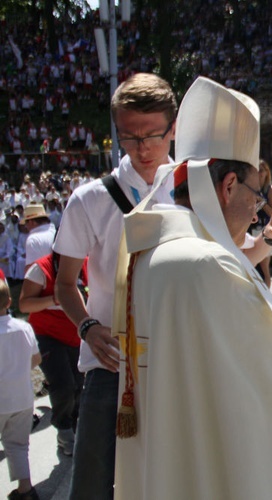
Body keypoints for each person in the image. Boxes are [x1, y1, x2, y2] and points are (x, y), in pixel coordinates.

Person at [112, 76, 272, 499]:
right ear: (228, 186)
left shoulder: (149, 249)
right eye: (255, 193)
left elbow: (222, 346)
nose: (257, 211)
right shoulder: (205, 262)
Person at [52, 72, 177, 500]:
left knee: (180, 478)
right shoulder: (90, 199)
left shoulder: (195, 190)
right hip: (112, 364)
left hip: (176, 358)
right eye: (129, 137)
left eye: (154, 135)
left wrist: (268, 237)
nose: (142, 148)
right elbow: (65, 285)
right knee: (91, 483)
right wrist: (87, 327)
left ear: (174, 128)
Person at [19, 252, 88, 456]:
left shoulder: (86, 264)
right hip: (47, 335)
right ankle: (64, 430)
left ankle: (75, 427)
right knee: (63, 385)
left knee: (78, 385)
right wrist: (54, 298)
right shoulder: (40, 269)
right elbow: (24, 304)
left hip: (76, 335)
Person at [0, 280, 42, 500]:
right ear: (9, 301)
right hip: (22, 397)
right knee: (18, 444)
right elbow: (36, 358)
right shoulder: (24, 327)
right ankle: (26, 490)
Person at [249, 159, 272, 288]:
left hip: (265, 229)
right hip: (252, 229)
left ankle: (266, 295)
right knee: (252, 267)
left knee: (264, 269)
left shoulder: (271, 190)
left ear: (266, 172)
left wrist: (262, 202)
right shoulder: (251, 188)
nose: (259, 173)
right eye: (256, 170)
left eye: (261, 170)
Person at [22, 204, 55, 273]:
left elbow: (31, 272)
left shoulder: (33, 239)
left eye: (26, 223)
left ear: (31, 222)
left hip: (46, 281)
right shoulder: (57, 232)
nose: (26, 226)